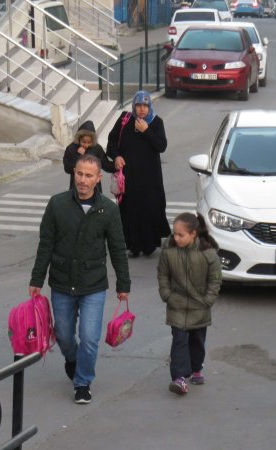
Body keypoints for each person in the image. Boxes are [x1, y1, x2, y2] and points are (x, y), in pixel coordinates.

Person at [29, 154, 131, 405]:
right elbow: (46, 244)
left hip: (93, 284)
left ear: (98, 178)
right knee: (63, 334)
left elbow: (117, 248)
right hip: (62, 282)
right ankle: (73, 361)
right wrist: (37, 278)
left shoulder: (108, 209)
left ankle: (83, 382)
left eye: (88, 176)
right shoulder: (57, 204)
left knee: (89, 337)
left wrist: (123, 284)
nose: (82, 180)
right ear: (73, 173)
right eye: (79, 174)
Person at [157, 212, 222, 396]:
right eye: (174, 234)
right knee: (179, 342)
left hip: (199, 306)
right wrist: (166, 294)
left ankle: (196, 368)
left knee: (196, 341)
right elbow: (163, 274)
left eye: (180, 235)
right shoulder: (168, 252)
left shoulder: (208, 253)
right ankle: (179, 378)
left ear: (193, 234)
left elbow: (215, 279)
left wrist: (208, 299)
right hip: (176, 305)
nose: (176, 238)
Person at [106, 90, 171, 258]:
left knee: (149, 209)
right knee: (129, 211)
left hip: (150, 179)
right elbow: (112, 141)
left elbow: (161, 146)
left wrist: (146, 131)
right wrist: (116, 156)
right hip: (128, 178)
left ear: (149, 107)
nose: (142, 109)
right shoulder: (124, 120)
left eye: (145, 106)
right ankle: (132, 246)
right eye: (138, 105)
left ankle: (149, 245)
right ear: (133, 106)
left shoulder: (156, 123)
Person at [62, 120, 114, 192]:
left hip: (95, 189)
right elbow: (67, 168)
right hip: (77, 188)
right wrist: (78, 156)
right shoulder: (71, 148)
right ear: (79, 138)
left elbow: (106, 165)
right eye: (83, 142)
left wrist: (118, 166)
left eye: (89, 142)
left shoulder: (97, 148)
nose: (86, 145)